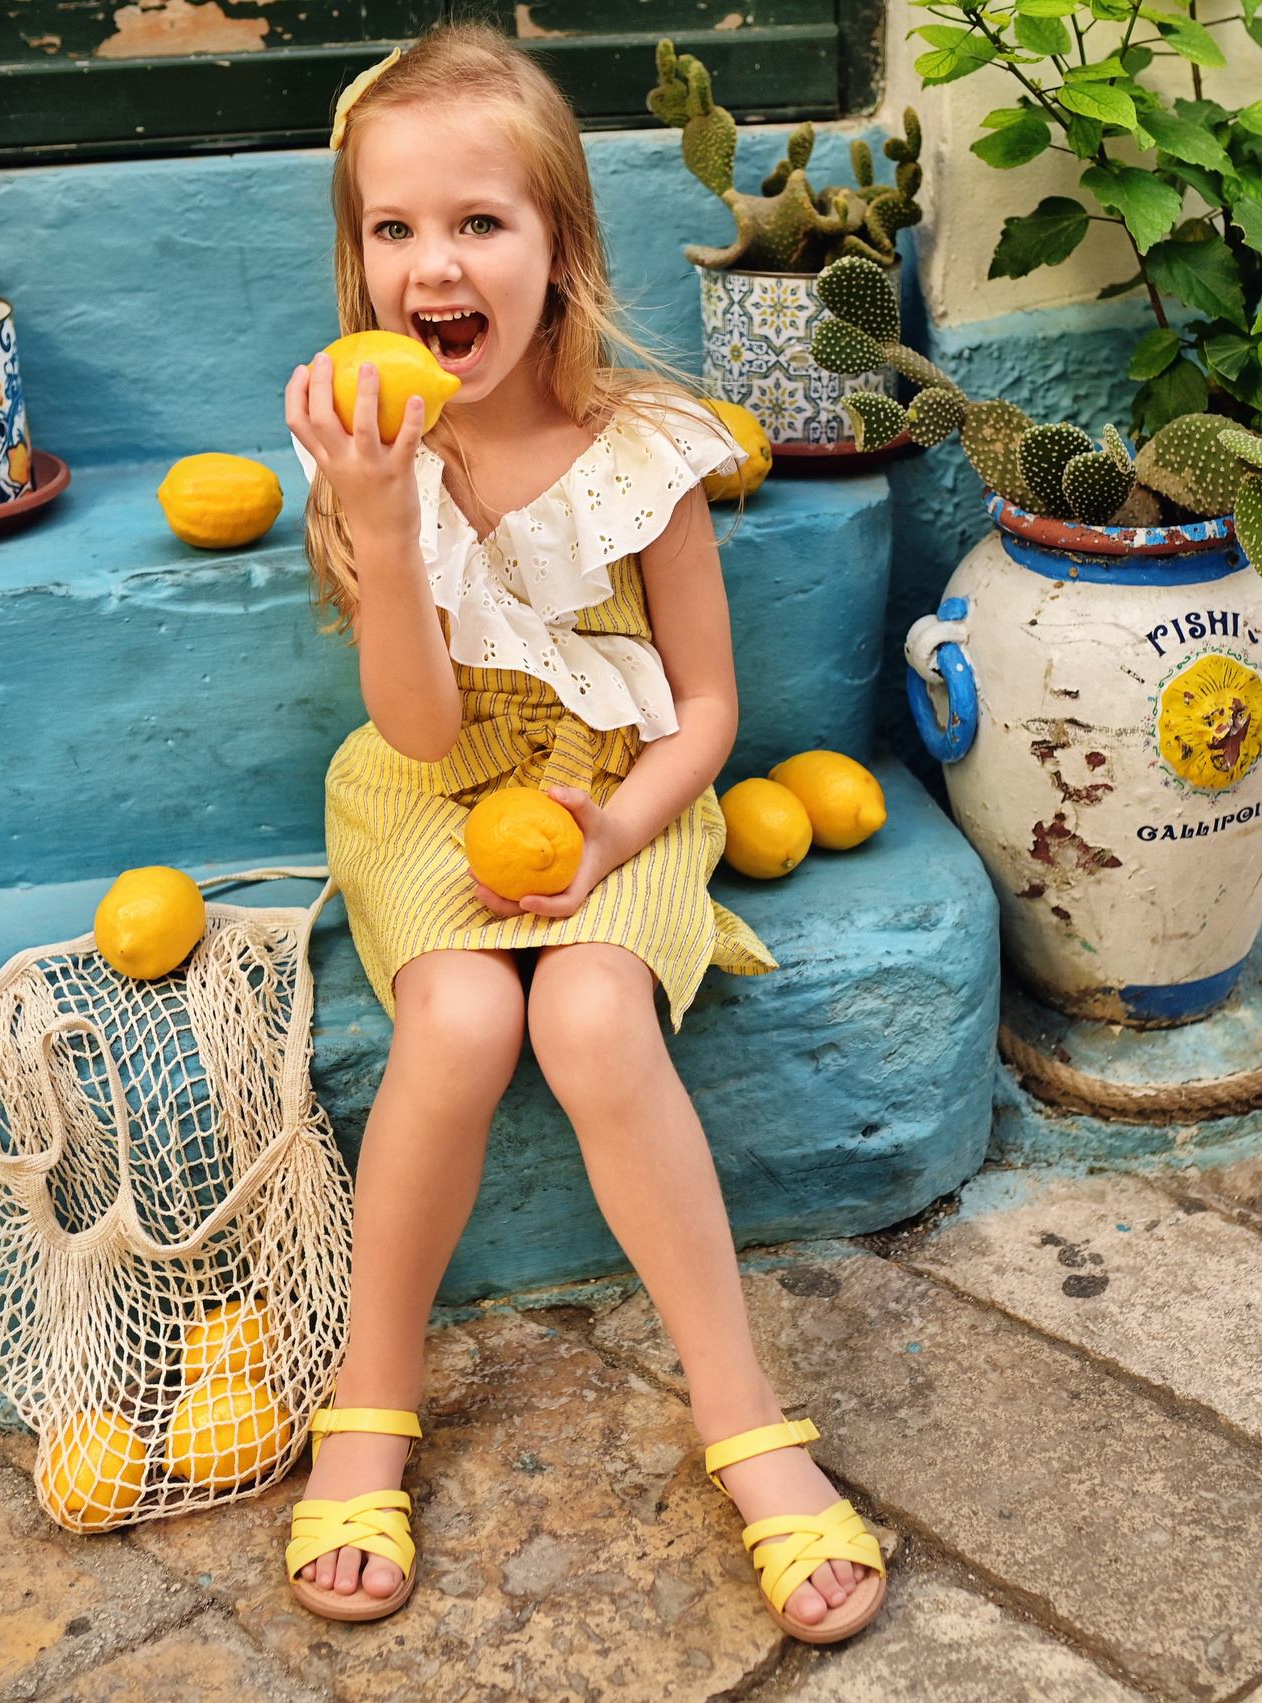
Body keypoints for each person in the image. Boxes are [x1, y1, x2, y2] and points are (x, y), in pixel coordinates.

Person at [278, 22, 886, 1645]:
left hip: (619, 791)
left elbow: (704, 714)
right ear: (356, 259)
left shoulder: (644, 457)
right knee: (468, 1010)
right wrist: (387, 529)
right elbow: (414, 729)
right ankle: (371, 1393)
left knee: (595, 1012)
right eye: (392, 230)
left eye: (480, 223)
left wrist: (613, 834)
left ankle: (743, 1416)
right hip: (431, 791)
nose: (433, 263)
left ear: (562, 249)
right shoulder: (365, 456)